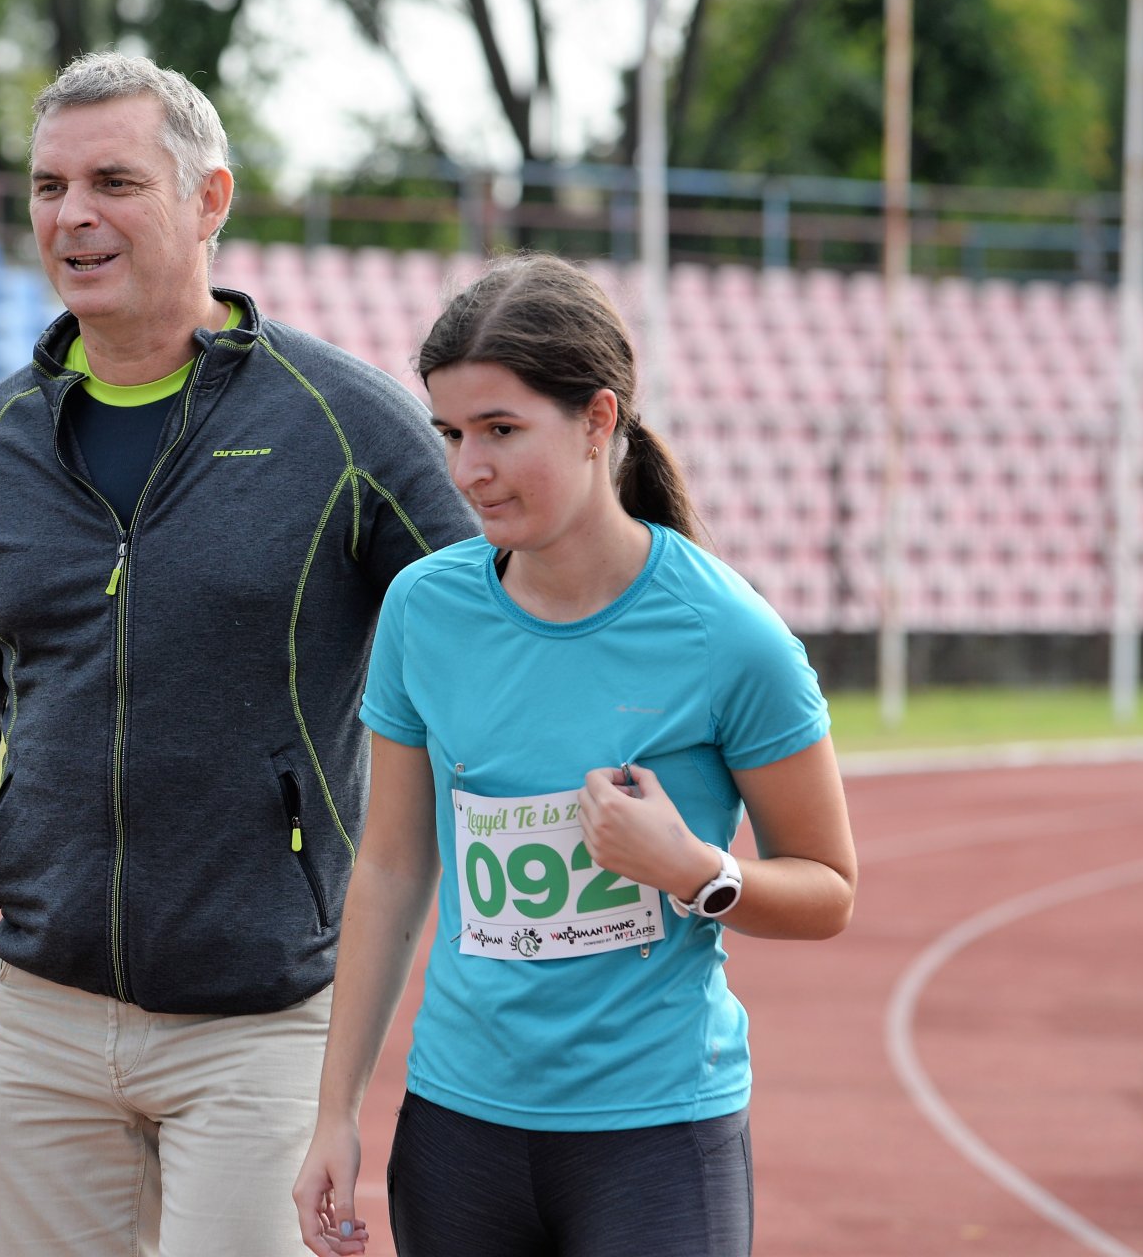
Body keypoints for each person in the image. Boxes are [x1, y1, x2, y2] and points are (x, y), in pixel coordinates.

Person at [0, 52, 474, 1257]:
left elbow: (497, 630)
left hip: (263, 1020)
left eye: (114, 182)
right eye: (50, 186)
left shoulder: (343, 425)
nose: (73, 215)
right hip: (44, 1018)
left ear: (208, 199)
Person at [290, 253, 859, 1257]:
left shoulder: (730, 636)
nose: (468, 468)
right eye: (452, 433)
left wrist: (697, 871)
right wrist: (334, 1112)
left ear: (598, 420)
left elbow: (829, 888)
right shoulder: (425, 607)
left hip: (656, 1137)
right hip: (458, 1129)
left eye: (502, 430)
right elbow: (391, 867)